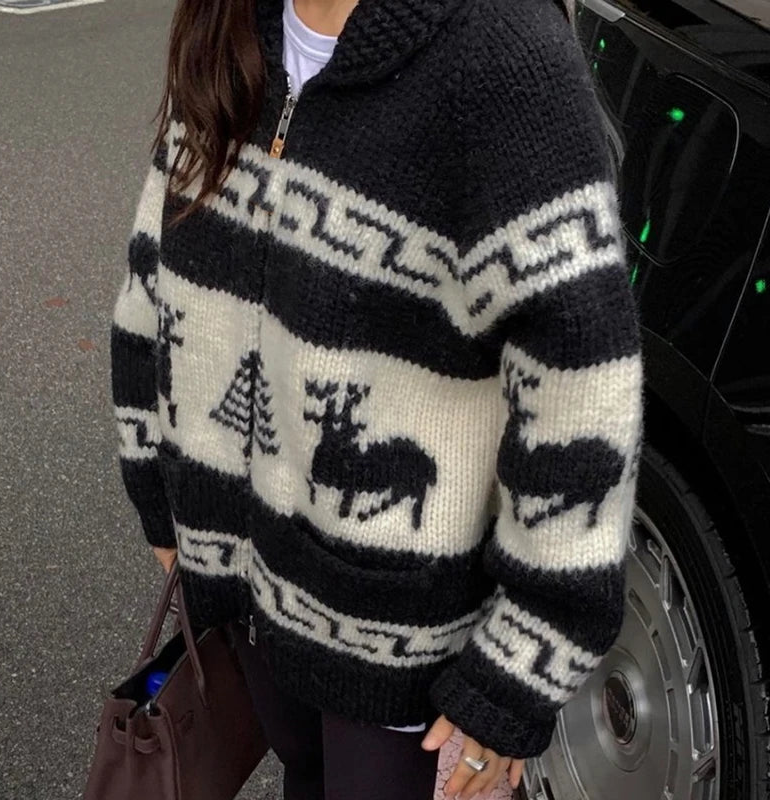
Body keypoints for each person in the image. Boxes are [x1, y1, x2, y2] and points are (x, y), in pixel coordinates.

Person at [109, 0, 644, 797]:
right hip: (253, 600)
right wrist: (158, 487)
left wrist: (521, 664)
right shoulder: (229, 20)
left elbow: (582, 384)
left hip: (413, 664)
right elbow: (155, 267)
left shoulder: (504, 55)